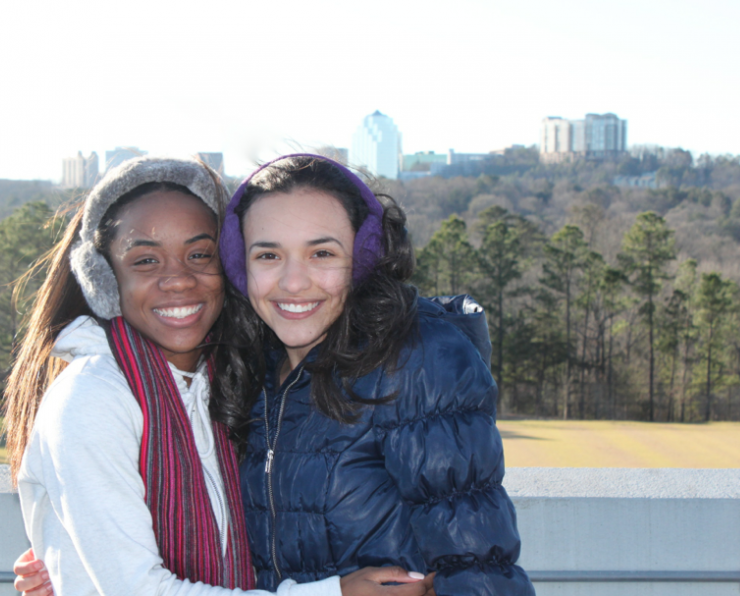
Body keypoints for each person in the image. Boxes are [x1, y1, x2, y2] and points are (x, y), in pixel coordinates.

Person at [6, 156, 430, 596]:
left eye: (199, 255)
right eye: (146, 260)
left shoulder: (231, 379)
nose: (178, 280)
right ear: (105, 281)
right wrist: (336, 594)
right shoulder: (92, 398)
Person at [215, 154, 535, 595]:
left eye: (322, 252)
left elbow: (478, 565)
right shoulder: (252, 368)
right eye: (268, 254)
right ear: (240, 266)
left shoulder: (416, 358)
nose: (292, 282)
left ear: (363, 257)